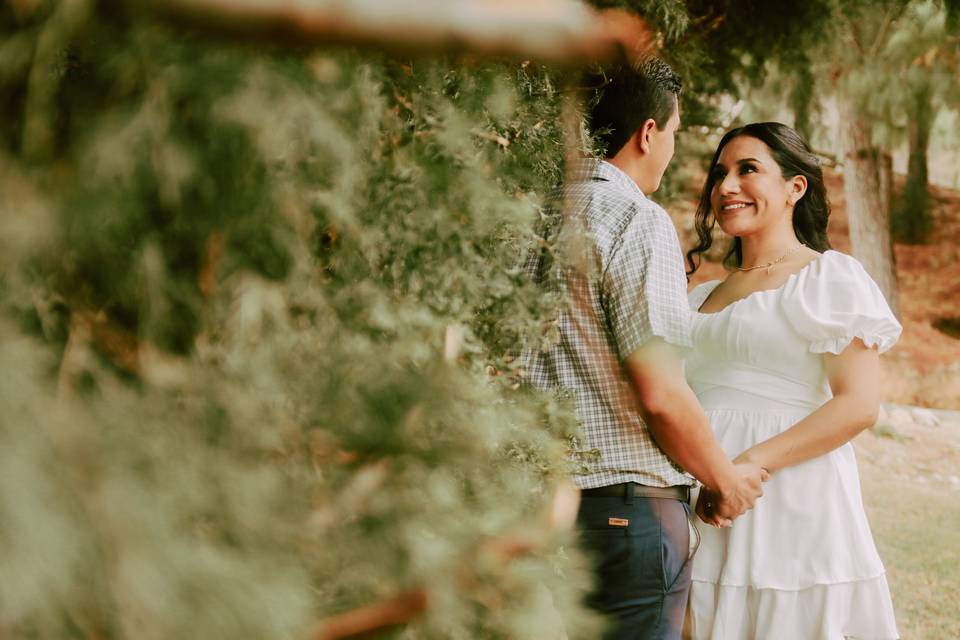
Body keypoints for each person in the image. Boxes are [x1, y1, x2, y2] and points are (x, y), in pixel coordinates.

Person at [523, 58, 766, 640]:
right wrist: (723, 480)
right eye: (675, 131)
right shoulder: (634, 216)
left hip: (524, 507)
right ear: (648, 132)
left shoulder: (521, 215)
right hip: (620, 512)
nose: (672, 147)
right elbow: (660, 391)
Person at [684, 122, 901, 639]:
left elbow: (858, 405)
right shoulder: (697, 296)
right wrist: (710, 474)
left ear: (794, 188)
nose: (726, 187)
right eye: (719, 174)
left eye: (748, 170)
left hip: (788, 497)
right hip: (700, 499)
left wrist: (747, 465)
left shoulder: (828, 278)